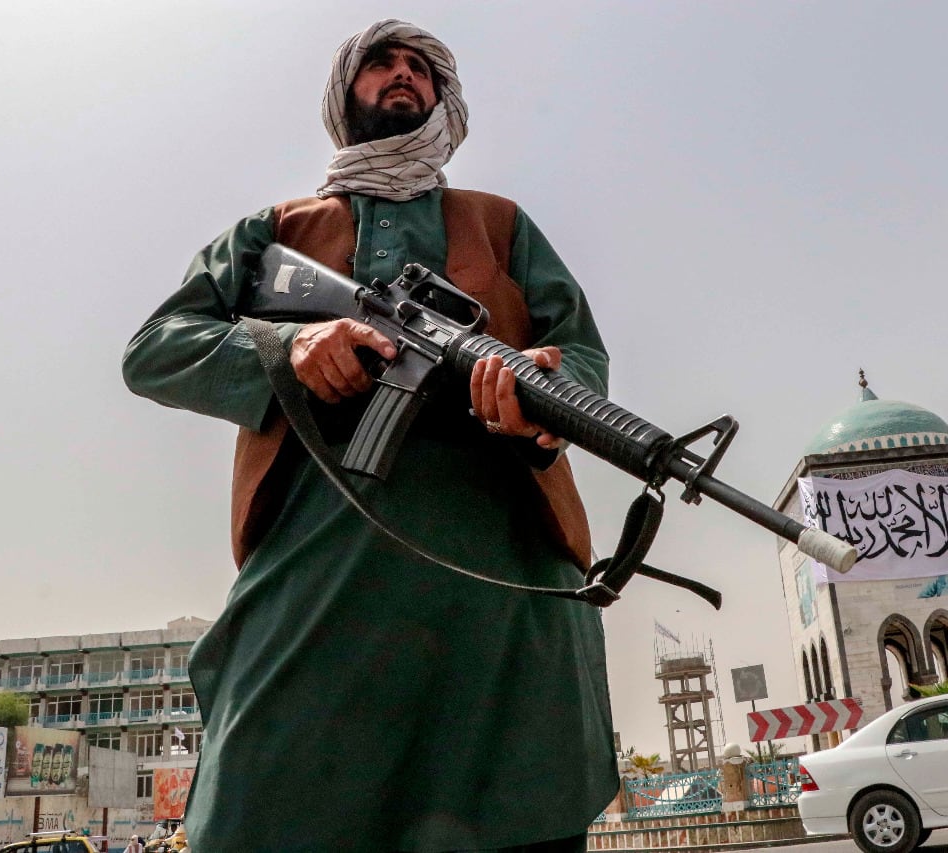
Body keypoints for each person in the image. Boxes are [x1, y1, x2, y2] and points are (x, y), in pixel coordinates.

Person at [123, 18, 616, 853]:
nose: (402, 75)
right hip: (319, 567)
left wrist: (544, 392)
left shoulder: (499, 225)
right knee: (257, 807)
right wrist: (286, 347)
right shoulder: (278, 230)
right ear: (345, 93)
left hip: (501, 579)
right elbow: (155, 350)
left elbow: (584, 357)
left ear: (442, 97)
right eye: (381, 64)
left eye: (420, 67)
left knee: (523, 805)